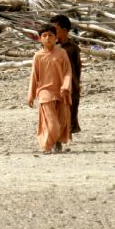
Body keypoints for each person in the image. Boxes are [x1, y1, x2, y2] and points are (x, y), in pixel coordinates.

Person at [27, 24, 72, 154]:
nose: (48, 38)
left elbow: (68, 71)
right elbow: (34, 76)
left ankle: (57, 142)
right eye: (44, 36)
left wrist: (66, 86)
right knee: (51, 123)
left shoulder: (62, 53)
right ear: (40, 39)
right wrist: (31, 95)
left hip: (61, 92)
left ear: (56, 37)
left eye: (50, 35)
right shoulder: (38, 56)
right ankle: (46, 146)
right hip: (45, 93)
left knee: (62, 121)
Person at [50, 14, 82, 141]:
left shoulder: (73, 48)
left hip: (70, 85)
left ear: (64, 30)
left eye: (55, 29)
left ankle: (68, 135)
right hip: (54, 84)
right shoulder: (51, 47)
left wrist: (77, 84)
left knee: (70, 110)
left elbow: (77, 68)